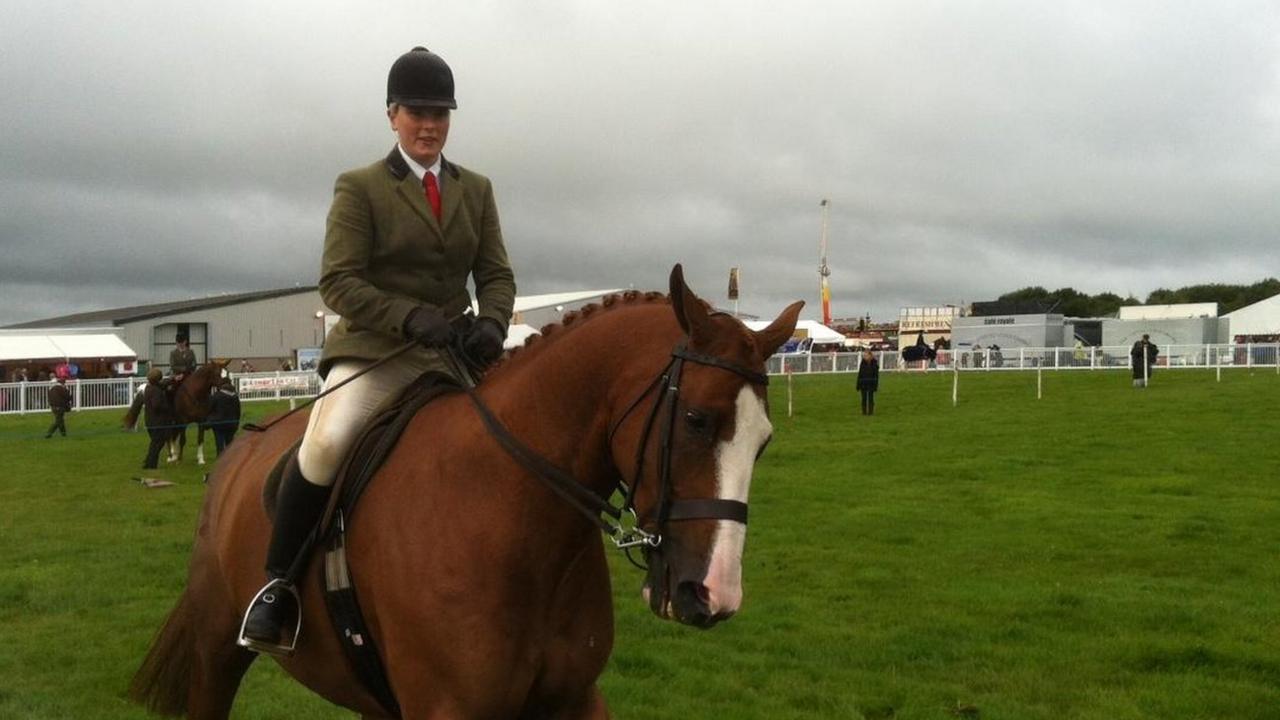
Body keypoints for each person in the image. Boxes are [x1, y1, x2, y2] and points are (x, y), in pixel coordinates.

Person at [238, 46, 516, 655]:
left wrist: (492, 324)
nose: (429, 123)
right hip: (375, 353)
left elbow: (495, 274)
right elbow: (338, 281)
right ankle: (277, 585)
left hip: (452, 356)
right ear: (392, 114)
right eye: (417, 111)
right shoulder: (360, 187)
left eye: (440, 112)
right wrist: (409, 318)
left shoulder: (477, 189)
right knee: (330, 439)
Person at [128, 369, 175, 469]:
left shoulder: (149, 388)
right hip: (157, 422)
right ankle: (151, 464)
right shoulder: (156, 391)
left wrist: (173, 379)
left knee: (155, 443)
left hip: (150, 421)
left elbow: (163, 384)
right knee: (157, 443)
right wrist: (167, 407)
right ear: (158, 379)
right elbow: (156, 405)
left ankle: (149, 463)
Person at [207, 378, 241, 456]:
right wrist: (236, 423)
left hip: (219, 424)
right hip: (232, 423)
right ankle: (229, 459)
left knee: (219, 444)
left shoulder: (217, 396)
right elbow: (238, 411)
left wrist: (209, 420)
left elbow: (210, 409)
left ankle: (221, 459)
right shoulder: (235, 397)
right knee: (229, 443)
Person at [855, 349, 879, 416]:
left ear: (870, 355)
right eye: (864, 355)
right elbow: (860, 374)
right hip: (863, 382)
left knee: (870, 398)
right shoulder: (862, 363)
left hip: (871, 383)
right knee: (863, 398)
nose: (864, 357)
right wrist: (858, 384)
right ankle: (864, 412)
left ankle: (870, 412)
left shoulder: (874, 363)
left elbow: (876, 376)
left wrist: (875, 385)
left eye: (866, 355)